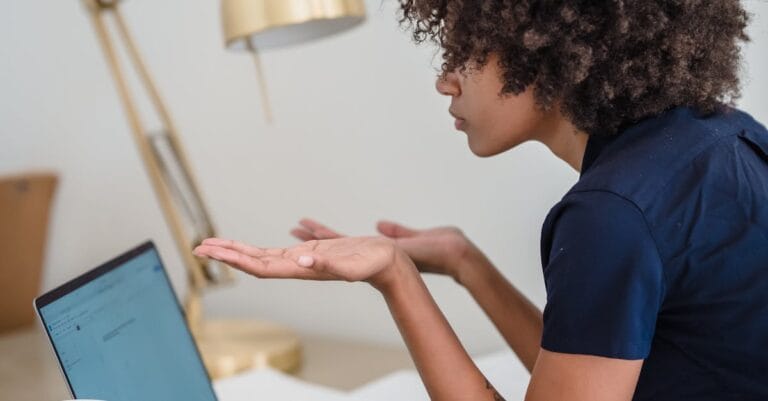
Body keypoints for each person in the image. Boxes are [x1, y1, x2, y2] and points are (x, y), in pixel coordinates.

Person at [194, 1, 768, 400]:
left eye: (465, 50)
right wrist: (464, 262)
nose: (446, 80)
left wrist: (395, 274)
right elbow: (589, 367)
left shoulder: (610, 217)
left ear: (548, 50)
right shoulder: (726, 134)